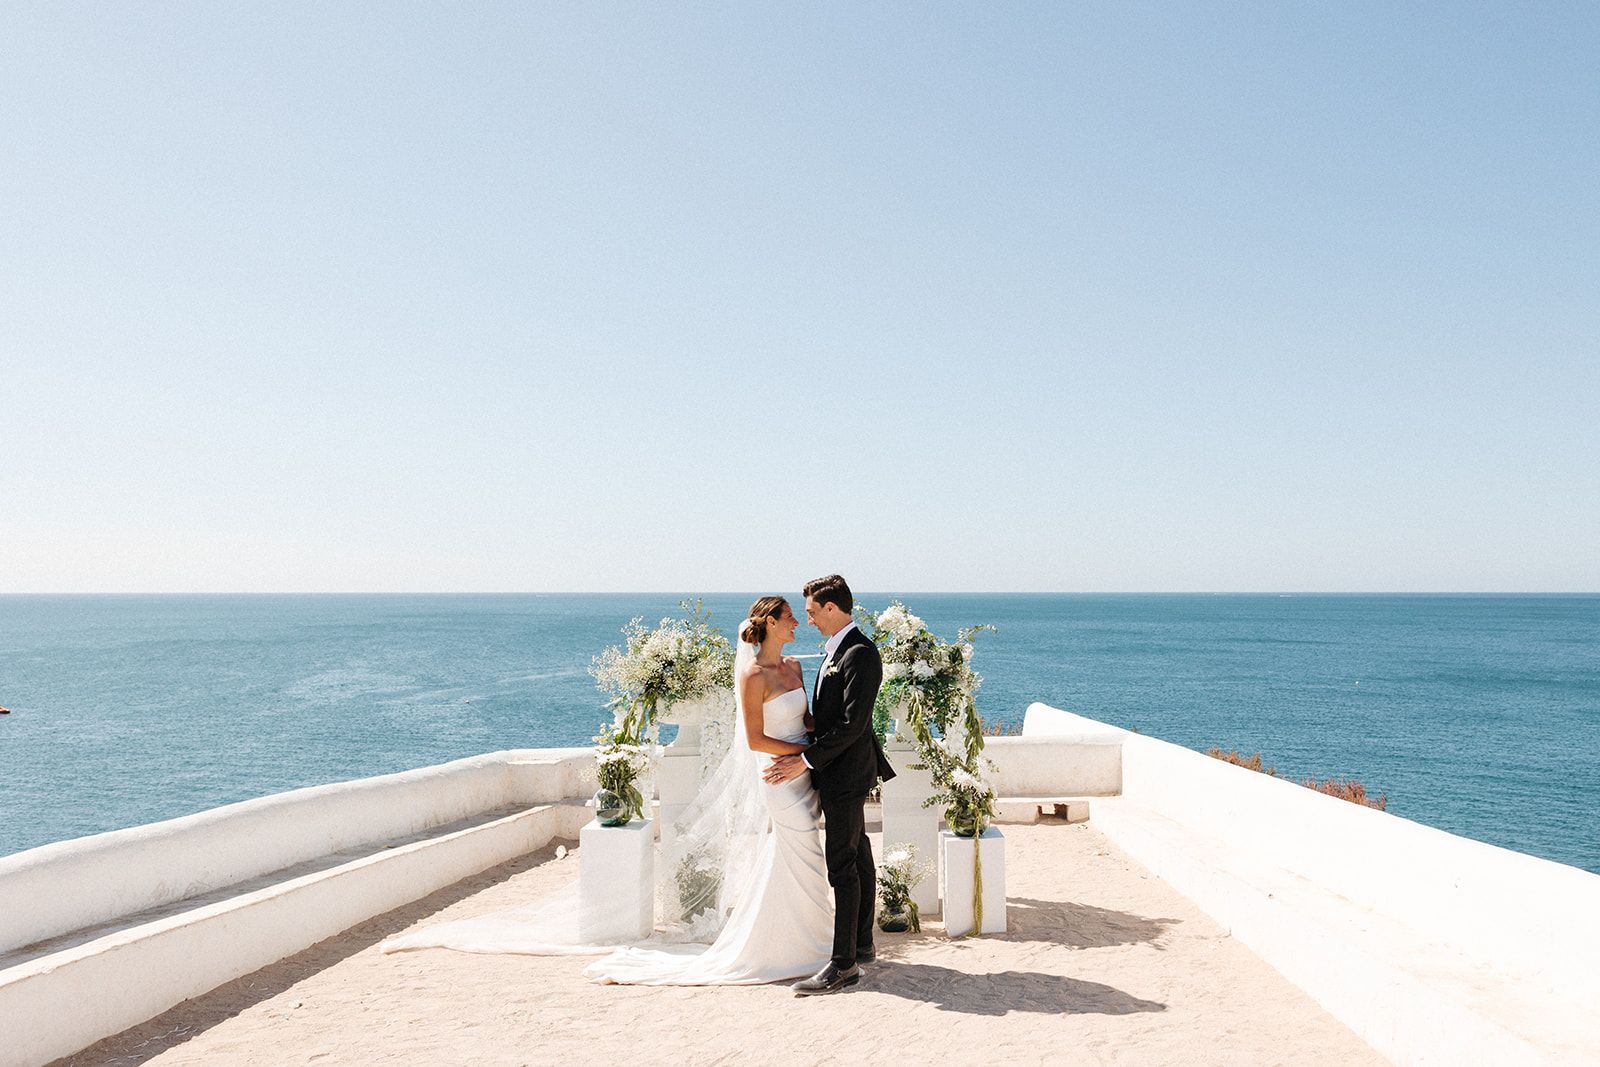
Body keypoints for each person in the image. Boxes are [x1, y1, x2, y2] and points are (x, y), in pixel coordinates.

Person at [584, 595, 836, 985]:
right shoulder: (752, 675)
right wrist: (808, 753)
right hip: (778, 776)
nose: (796, 624)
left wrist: (832, 737)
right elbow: (755, 739)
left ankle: (806, 940)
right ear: (769, 622)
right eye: (789, 617)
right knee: (802, 848)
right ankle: (803, 946)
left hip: (803, 772)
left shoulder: (795, 666)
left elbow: (805, 719)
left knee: (803, 854)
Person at [764, 574, 896, 995]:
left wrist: (803, 761)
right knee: (857, 856)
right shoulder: (836, 651)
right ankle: (861, 945)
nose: (809, 621)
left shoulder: (860, 653)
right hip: (838, 770)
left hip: (846, 774)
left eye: (812, 612)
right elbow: (831, 715)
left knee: (842, 864)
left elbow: (853, 726)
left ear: (832, 609)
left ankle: (842, 966)